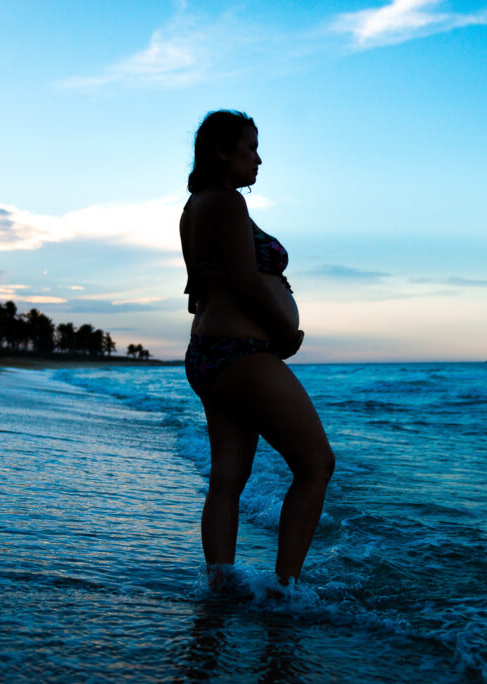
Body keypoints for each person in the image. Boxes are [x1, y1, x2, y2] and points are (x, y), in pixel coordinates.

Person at [180, 110, 334, 590]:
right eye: (251, 147)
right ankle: (285, 591)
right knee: (316, 464)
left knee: (228, 476)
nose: (259, 158)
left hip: (208, 355)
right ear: (222, 151)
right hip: (239, 352)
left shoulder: (194, 208)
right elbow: (246, 285)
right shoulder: (227, 203)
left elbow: (195, 294)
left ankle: (221, 587)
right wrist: (284, 335)